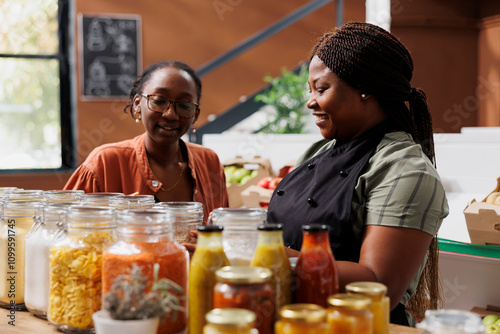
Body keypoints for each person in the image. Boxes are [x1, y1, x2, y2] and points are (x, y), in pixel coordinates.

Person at [266, 22, 449, 326]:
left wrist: (261, 254)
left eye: (321, 89)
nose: (310, 102)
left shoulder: (407, 172)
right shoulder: (316, 152)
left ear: (366, 88)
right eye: (310, 90)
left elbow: (378, 284)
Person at [64, 60, 228, 220]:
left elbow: (223, 233)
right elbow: (65, 232)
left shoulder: (209, 162)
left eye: (184, 105)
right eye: (158, 101)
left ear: (195, 114)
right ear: (137, 104)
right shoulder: (105, 163)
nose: (170, 114)